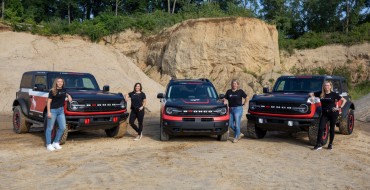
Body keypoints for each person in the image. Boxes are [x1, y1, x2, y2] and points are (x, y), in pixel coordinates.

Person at [309, 81, 347, 150]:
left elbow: (344, 100)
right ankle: (318, 144)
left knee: (332, 129)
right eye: (325, 85)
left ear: (330, 86)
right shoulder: (321, 93)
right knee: (320, 128)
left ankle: (330, 144)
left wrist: (339, 108)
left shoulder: (333, 94)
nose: (327, 87)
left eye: (328, 85)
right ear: (323, 86)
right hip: (324, 114)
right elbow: (311, 93)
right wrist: (312, 97)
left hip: (333, 113)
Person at [46, 77, 72, 151]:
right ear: (56, 83)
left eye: (61, 81)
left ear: (63, 83)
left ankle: (55, 142)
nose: (60, 83)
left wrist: (68, 96)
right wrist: (48, 112)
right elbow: (48, 102)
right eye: (58, 81)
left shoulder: (64, 90)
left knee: (63, 127)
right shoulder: (52, 91)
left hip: (61, 111)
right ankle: (48, 144)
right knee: (49, 128)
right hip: (53, 111)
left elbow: (64, 93)